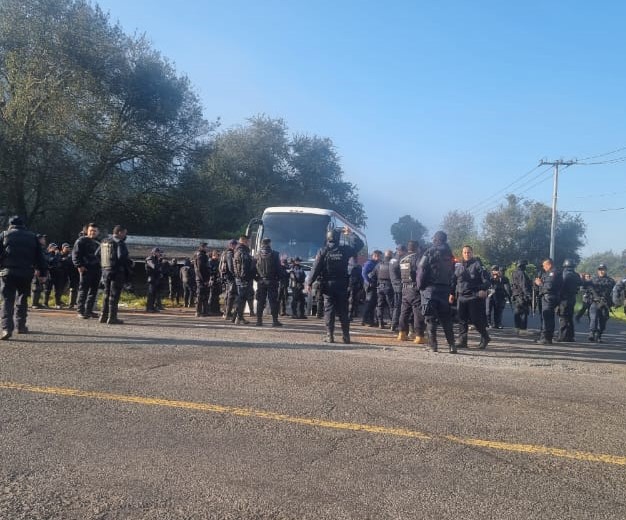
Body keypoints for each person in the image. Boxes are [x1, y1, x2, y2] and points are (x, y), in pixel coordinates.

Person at [309, 228, 364, 343]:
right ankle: (346, 337)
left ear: (328, 237)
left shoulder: (323, 251)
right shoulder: (345, 250)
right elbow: (359, 245)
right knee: (343, 310)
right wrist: (350, 234)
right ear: (339, 238)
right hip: (342, 285)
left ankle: (330, 336)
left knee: (329, 310)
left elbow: (316, 268)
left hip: (328, 285)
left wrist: (309, 282)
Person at [0, 216, 48, 340]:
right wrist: (43, 273)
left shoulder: (4, 235)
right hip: (26, 272)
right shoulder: (32, 237)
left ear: (10, 225)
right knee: (22, 298)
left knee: (7, 300)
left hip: (8, 272)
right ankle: (21, 326)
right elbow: (40, 257)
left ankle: (6, 328)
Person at [416, 231, 456, 353]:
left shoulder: (429, 252)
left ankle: (433, 346)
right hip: (445, 290)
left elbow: (421, 269)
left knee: (430, 319)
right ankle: (452, 346)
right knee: (446, 319)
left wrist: (420, 286)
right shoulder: (449, 253)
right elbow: (452, 272)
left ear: (436, 239)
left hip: (430, 290)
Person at [451, 245, 490, 349]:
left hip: (473, 296)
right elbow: (454, 280)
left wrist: (481, 289)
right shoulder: (459, 266)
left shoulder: (477, 265)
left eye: (468, 252)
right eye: (465, 252)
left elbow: (487, 281)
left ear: (472, 253)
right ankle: (462, 341)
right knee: (461, 320)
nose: (467, 254)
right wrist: (451, 293)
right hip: (461, 296)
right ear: (462, 253)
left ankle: (485, 337)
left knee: (475, 320)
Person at [98, 225, 133, 324]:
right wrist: (129, 263)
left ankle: (103, 316)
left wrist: (104, 266)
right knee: (114, 295)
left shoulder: (105, 241)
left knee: (106, 294)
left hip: (106, 271)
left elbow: (97, 254)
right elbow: (121, 257)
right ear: (120, 232)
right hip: (117, 272)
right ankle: (112, 318)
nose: (125, 235)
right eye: (125, 233)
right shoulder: (120, 243)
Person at [397, 240, 427, 344]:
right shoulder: (417, 257)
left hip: (405, 288)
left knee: (404, 312)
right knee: (418, 313)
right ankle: (419, 336)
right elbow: (421, 271)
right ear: (417, 247)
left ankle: (402, 333)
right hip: (414, 288)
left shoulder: (402, 258)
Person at [72, 223, 102, 319]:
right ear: (87, 231)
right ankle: (80, 311)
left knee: (93, 291)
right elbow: (75, 254)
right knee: (83, 290)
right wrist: (79, 265)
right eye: (91, 230)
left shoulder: (99, 242)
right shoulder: (81, 241)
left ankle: (89, 310)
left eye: (95, 231)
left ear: (98, 232)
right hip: (86, 268)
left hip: (97, 269)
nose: (93, 232)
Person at [583, 263, 616, 343]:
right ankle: (592, 333)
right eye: (600, 270)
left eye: (603, 270)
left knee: (603, 320)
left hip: (605, 304)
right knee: (593, 318)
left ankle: (599, 335)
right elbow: (585, 287)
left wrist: (614, 303)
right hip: (595, 302)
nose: (601, 271)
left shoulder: (611, 281)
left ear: (606, 270)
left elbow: (615, 292)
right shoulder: (593, 280)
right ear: (598, 271)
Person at [254, 237, 283, 327]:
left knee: (260, 301)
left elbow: (252, 268)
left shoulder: (257, 255)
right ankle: (275, 321)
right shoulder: (275, 254)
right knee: (273, 301)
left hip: (261, 281)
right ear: (269, 243)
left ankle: (259, 321)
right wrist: (279, 278)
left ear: (262, 244)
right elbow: (279, 269)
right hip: (272, 281)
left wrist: (257, 278)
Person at [534, 257, 562, 345]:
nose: (543, 267)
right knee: (549, 318)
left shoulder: (552, 273)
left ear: (548, 264)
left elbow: (549, 286)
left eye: (544, 266)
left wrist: (540, 284)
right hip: (549, 297)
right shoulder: (549, 273)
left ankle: (546, 338)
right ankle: (548, 337)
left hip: (549, 297)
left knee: (547, 318)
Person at [557, 259, 582, 342]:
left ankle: (562, 336)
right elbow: (580, 284)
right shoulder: (576, 275)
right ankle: (570, 336)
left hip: (564, 299)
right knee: (570, 318)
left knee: (563, 317)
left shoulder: (563, 274)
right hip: (572, 298)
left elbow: (560, 287)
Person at [233, 235, 255, 325]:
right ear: (245, 241)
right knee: (242, 299)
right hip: (244, 279)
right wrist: (245, 278)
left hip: (239, 278)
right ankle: (239, 318)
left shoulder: (237, 251)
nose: (249, 243)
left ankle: (236, 317)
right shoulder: (243, 252)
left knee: (240, 298)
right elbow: (244, 267)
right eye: (248, 241)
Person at [511, 259, 532, 334]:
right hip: (522, 295)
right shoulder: (522, 273)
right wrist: (528, 295)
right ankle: (523, 330)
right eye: (524, 265)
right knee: (524, 312)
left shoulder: (514, 273)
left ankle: (517, 328)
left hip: (516, 295)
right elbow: (524, 285)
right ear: (522, 266)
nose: (525, 267)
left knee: (517, 312)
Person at [374, 250, 394, 329]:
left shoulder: (379, 264)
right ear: (391, 256)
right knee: (391, 306)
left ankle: (380, 323)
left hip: (379, 287)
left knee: (380, 305)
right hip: (389, 287)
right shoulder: (392, 264)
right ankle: (392, 324)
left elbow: (372, 274)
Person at [486, 265, 511, 329]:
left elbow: (507, 287)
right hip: (490, 295)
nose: (495, 271)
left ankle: (497, 323)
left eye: (496, 270)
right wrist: (492, 277)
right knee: (488, 310)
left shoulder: (503, 278)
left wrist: (507, 296)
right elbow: (486, 283)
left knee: (498, 310)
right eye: (493, 270)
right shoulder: (489, 276)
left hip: (499, 295)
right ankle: (488, 323)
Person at [361, 250, 382, 326]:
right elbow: (363, 273)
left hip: (373, 284)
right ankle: (365, 320)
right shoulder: (369, 263)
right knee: (369, 303)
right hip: (369, 285)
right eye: (378, 256)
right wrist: (369, 282)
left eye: (380, 256)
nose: (379, 258)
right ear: (374, 256)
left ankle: (371, 320)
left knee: (373, 304)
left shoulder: (376, 263)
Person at [389, 244, 406, 332]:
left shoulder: (392, 259)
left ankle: (393, 324)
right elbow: (405, 274)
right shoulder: (401, 260)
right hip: (400, 285)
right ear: (401, 251)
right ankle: (396, 324)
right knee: (399, 306)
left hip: (394, 284)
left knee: (396, 306)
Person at [43, 243, 65, 309]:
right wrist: (57, 255)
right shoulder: (47, 254)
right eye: (54, 248)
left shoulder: (58, 255)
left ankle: (57, 303)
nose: (55, 249)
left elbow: (61, 262)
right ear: (50, 248)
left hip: (58, 274)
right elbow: (51, 260)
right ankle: (45, 303)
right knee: (47, 290)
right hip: (50, 274)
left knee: (58, 290)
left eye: (56, 248)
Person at [30, 234, 48, 308]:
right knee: (35, 286)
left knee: (40, 287)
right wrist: (36, 268)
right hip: (37, 269)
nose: (44, 240)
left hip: (42, 269)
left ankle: (37, 302)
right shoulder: (35, 247)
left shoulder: (42, 248)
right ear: (39, 239)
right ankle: (34, 303)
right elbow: (35, 259)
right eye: (43, 239)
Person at [193, 243, 210, 317]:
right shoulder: (200, 256)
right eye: (205, 247)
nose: (207, 248)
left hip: (201, 278)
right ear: (202, 247)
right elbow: (200, 269)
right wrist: (204, 280)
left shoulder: (201, 255)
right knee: (200, 295)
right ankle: (198, 311)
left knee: (204, 295)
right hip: (201, 279)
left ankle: (204, 311)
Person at [145, 247, 164, 313]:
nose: (159, 254)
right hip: (151, 278)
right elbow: (154, 267)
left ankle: (153, 307)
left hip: (156, 278)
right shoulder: (150, 258)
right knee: (151, 294)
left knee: (154, 294)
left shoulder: (156, 259)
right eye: (158, 252)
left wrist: (160, 261)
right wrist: (159, 262)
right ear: (154, 252)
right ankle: (149, 307)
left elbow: (159, 269)